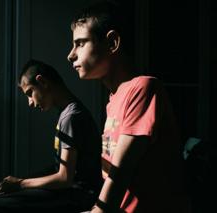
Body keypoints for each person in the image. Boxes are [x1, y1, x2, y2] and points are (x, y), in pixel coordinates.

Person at [67, 1, 191, 212]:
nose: (71, 55)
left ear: (112, 42)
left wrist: (98, 210)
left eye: (80, 43)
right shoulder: (114, 99)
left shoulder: (143, 88)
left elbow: (120, 172)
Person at [0, 59, 103, 213]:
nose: (30, 103)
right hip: (73, 192)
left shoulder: (71, 116)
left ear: (43, 82)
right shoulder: (67, 113)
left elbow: (64, 178)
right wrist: (24, 182)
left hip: (79, 196)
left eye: (30, 93)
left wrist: (21, 183)